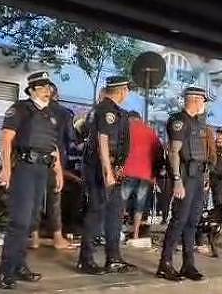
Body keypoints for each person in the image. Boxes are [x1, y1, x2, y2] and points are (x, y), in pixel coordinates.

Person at [0, 71, 65, 290]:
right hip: (25, 168)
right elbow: (6, 140)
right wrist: (6, 170)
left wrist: (59, 170)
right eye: (43, 88)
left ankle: (20, 265)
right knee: (19, 221)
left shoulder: (50, 114)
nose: (48, 92)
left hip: (42, 170)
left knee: (31, 220)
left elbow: (52, 146)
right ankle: (6, 272)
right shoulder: (20, 109)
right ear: (32, 89)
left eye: (49, 88)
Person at [77, 76, 135, 275]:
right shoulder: (108, 110)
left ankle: (114, 258)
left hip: (109, 168)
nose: (128, 94)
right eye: (127, 90)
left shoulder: (100, 109)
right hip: (101, 169)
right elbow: (103, 140)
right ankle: (86, 260)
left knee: (114, 214)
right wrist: (108, 172)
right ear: (120, 90)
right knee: (96, 213)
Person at [156, 86, 210, 282]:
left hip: (197, 176)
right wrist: (177, 181)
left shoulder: (197, 123)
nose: (205, 105)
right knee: (179, 219)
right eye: (204, 101)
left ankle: (188, 264)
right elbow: (173, 152)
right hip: (185, 176)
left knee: (192, 221)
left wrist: (204, 178)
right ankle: (165, 264)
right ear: (195, 100)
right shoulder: (179, 120)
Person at [30, 85, 73, 251]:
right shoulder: (64, 113)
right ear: (57, 94)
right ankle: (57, 236)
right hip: (56, 159)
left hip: (34, 159)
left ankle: (34, 237)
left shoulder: (32, 110)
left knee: (34, 198)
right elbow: (70, 137)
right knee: (54, 198)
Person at [122, 111, 162, 242]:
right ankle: (135, 234)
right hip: (146, 174)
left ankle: (117, 232)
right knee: (140, 205)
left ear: (130, 119)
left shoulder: (126, 129)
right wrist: (155, 174)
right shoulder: (150, 132)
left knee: (122, 202)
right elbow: (159, 153)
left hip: (128, 171)